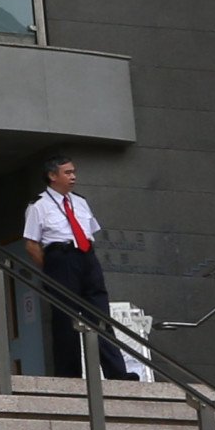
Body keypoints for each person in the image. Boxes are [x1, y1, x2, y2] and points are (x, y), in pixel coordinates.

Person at [22, 156, 136, 382]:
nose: (73, 177)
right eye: (67, 172)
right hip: (60, 258)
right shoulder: (38, 205)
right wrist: (51, 269)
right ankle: (68, 375)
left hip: (86, 257)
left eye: (74, 172)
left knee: (100, 314)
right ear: (52, 176)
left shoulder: (80, 202)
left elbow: (88, 231)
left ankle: (116, 371)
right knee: (65, 320)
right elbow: (31, 244)